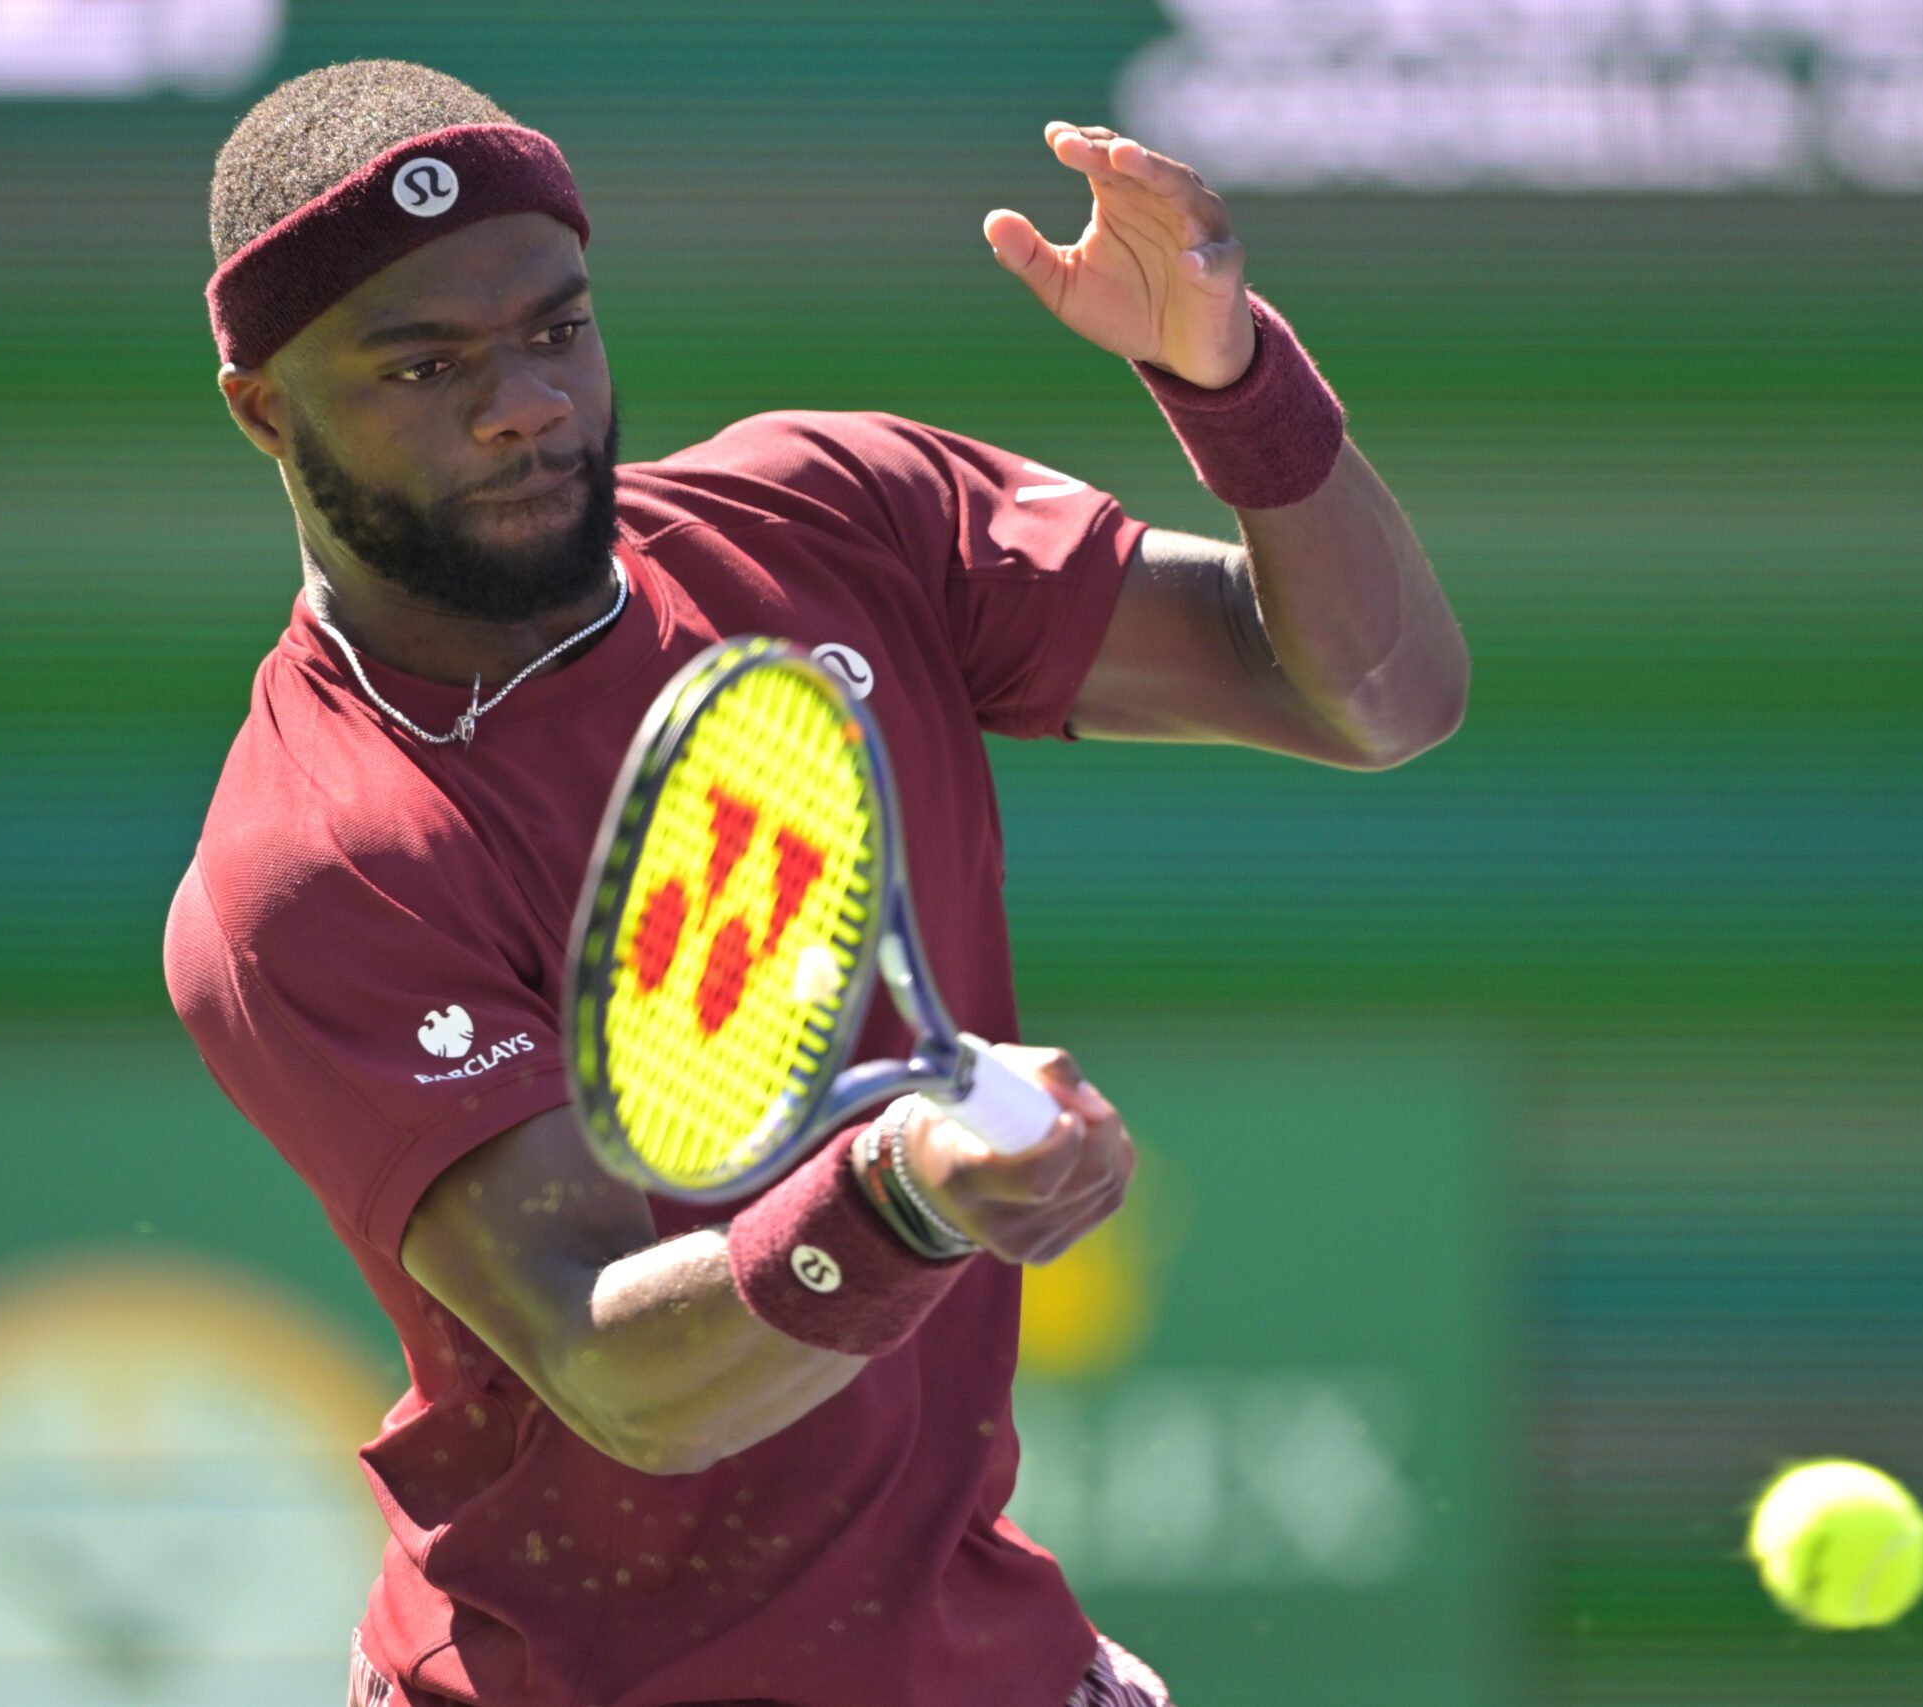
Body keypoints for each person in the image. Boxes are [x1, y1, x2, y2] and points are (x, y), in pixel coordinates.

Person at [163, 57, 1467, 1707]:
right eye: (426, 365)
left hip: (968, 1655)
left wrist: (1231, 381)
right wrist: (904, 1196)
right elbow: (619, 1376)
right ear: (266, 408)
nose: (527, 403)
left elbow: (1381, 696)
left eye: (556, 330)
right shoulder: (317, 862)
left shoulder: (836, 516)